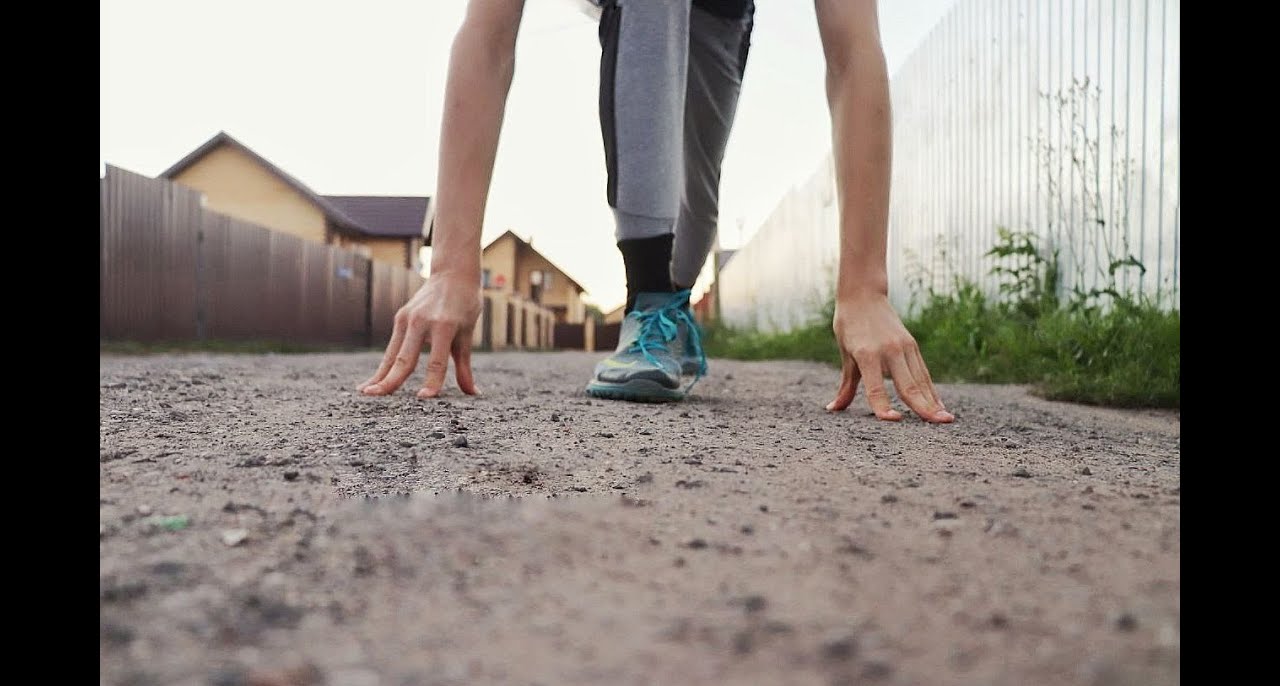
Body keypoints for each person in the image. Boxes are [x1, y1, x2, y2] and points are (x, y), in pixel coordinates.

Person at [358, 0, 954, 424]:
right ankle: (651, 303)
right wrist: (452, 270)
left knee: (693, 206)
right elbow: (487, 36)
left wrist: (864, 291)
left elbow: (852, 52)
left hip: (723, 13)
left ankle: (669, 296)